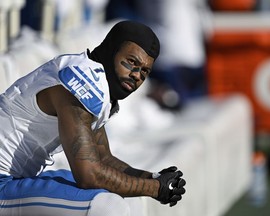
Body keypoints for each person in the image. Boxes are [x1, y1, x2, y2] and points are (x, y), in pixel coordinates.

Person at [0, 20, 186, 216]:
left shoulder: (91, 77)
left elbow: (104, 159)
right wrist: (155, 188)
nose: (137, 75)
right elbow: (88, 175)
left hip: (13, 179)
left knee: (128, 200)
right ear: (111, 49)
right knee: (107, 207)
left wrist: (154, 177)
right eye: (132, 62)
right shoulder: (83, 81)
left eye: (145, 71)